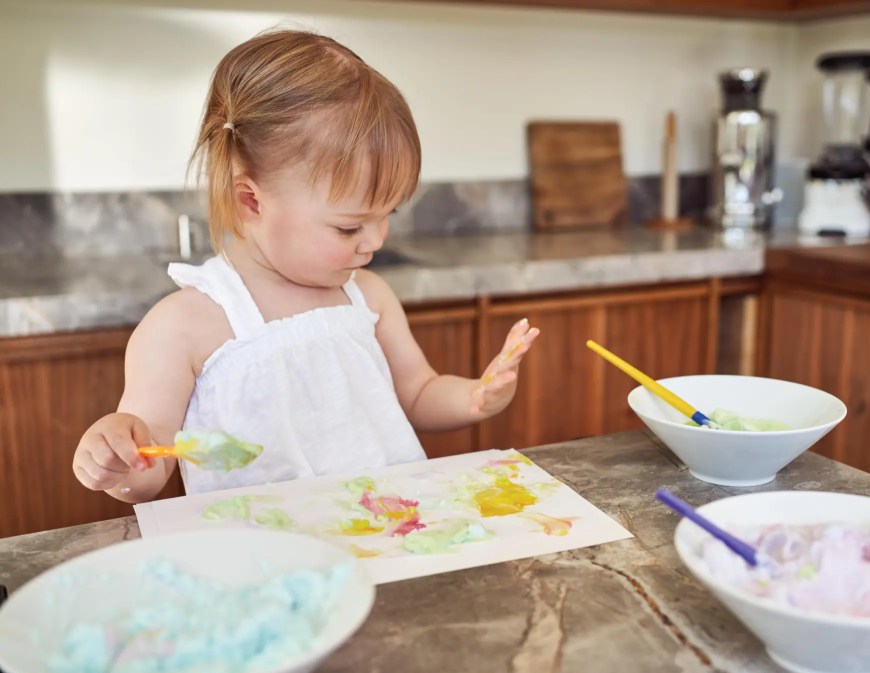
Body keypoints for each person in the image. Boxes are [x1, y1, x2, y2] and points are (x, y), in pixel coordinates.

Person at [71, 29, 539, 501]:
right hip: (266, 554)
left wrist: (476, 395)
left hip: (389, 531)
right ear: (251, 201)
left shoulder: (368, 296)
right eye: (348, 228)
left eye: (388, 215)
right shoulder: (183, 327)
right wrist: (119, 457)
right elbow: (150, 466)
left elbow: (417, 394)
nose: (376, 240)